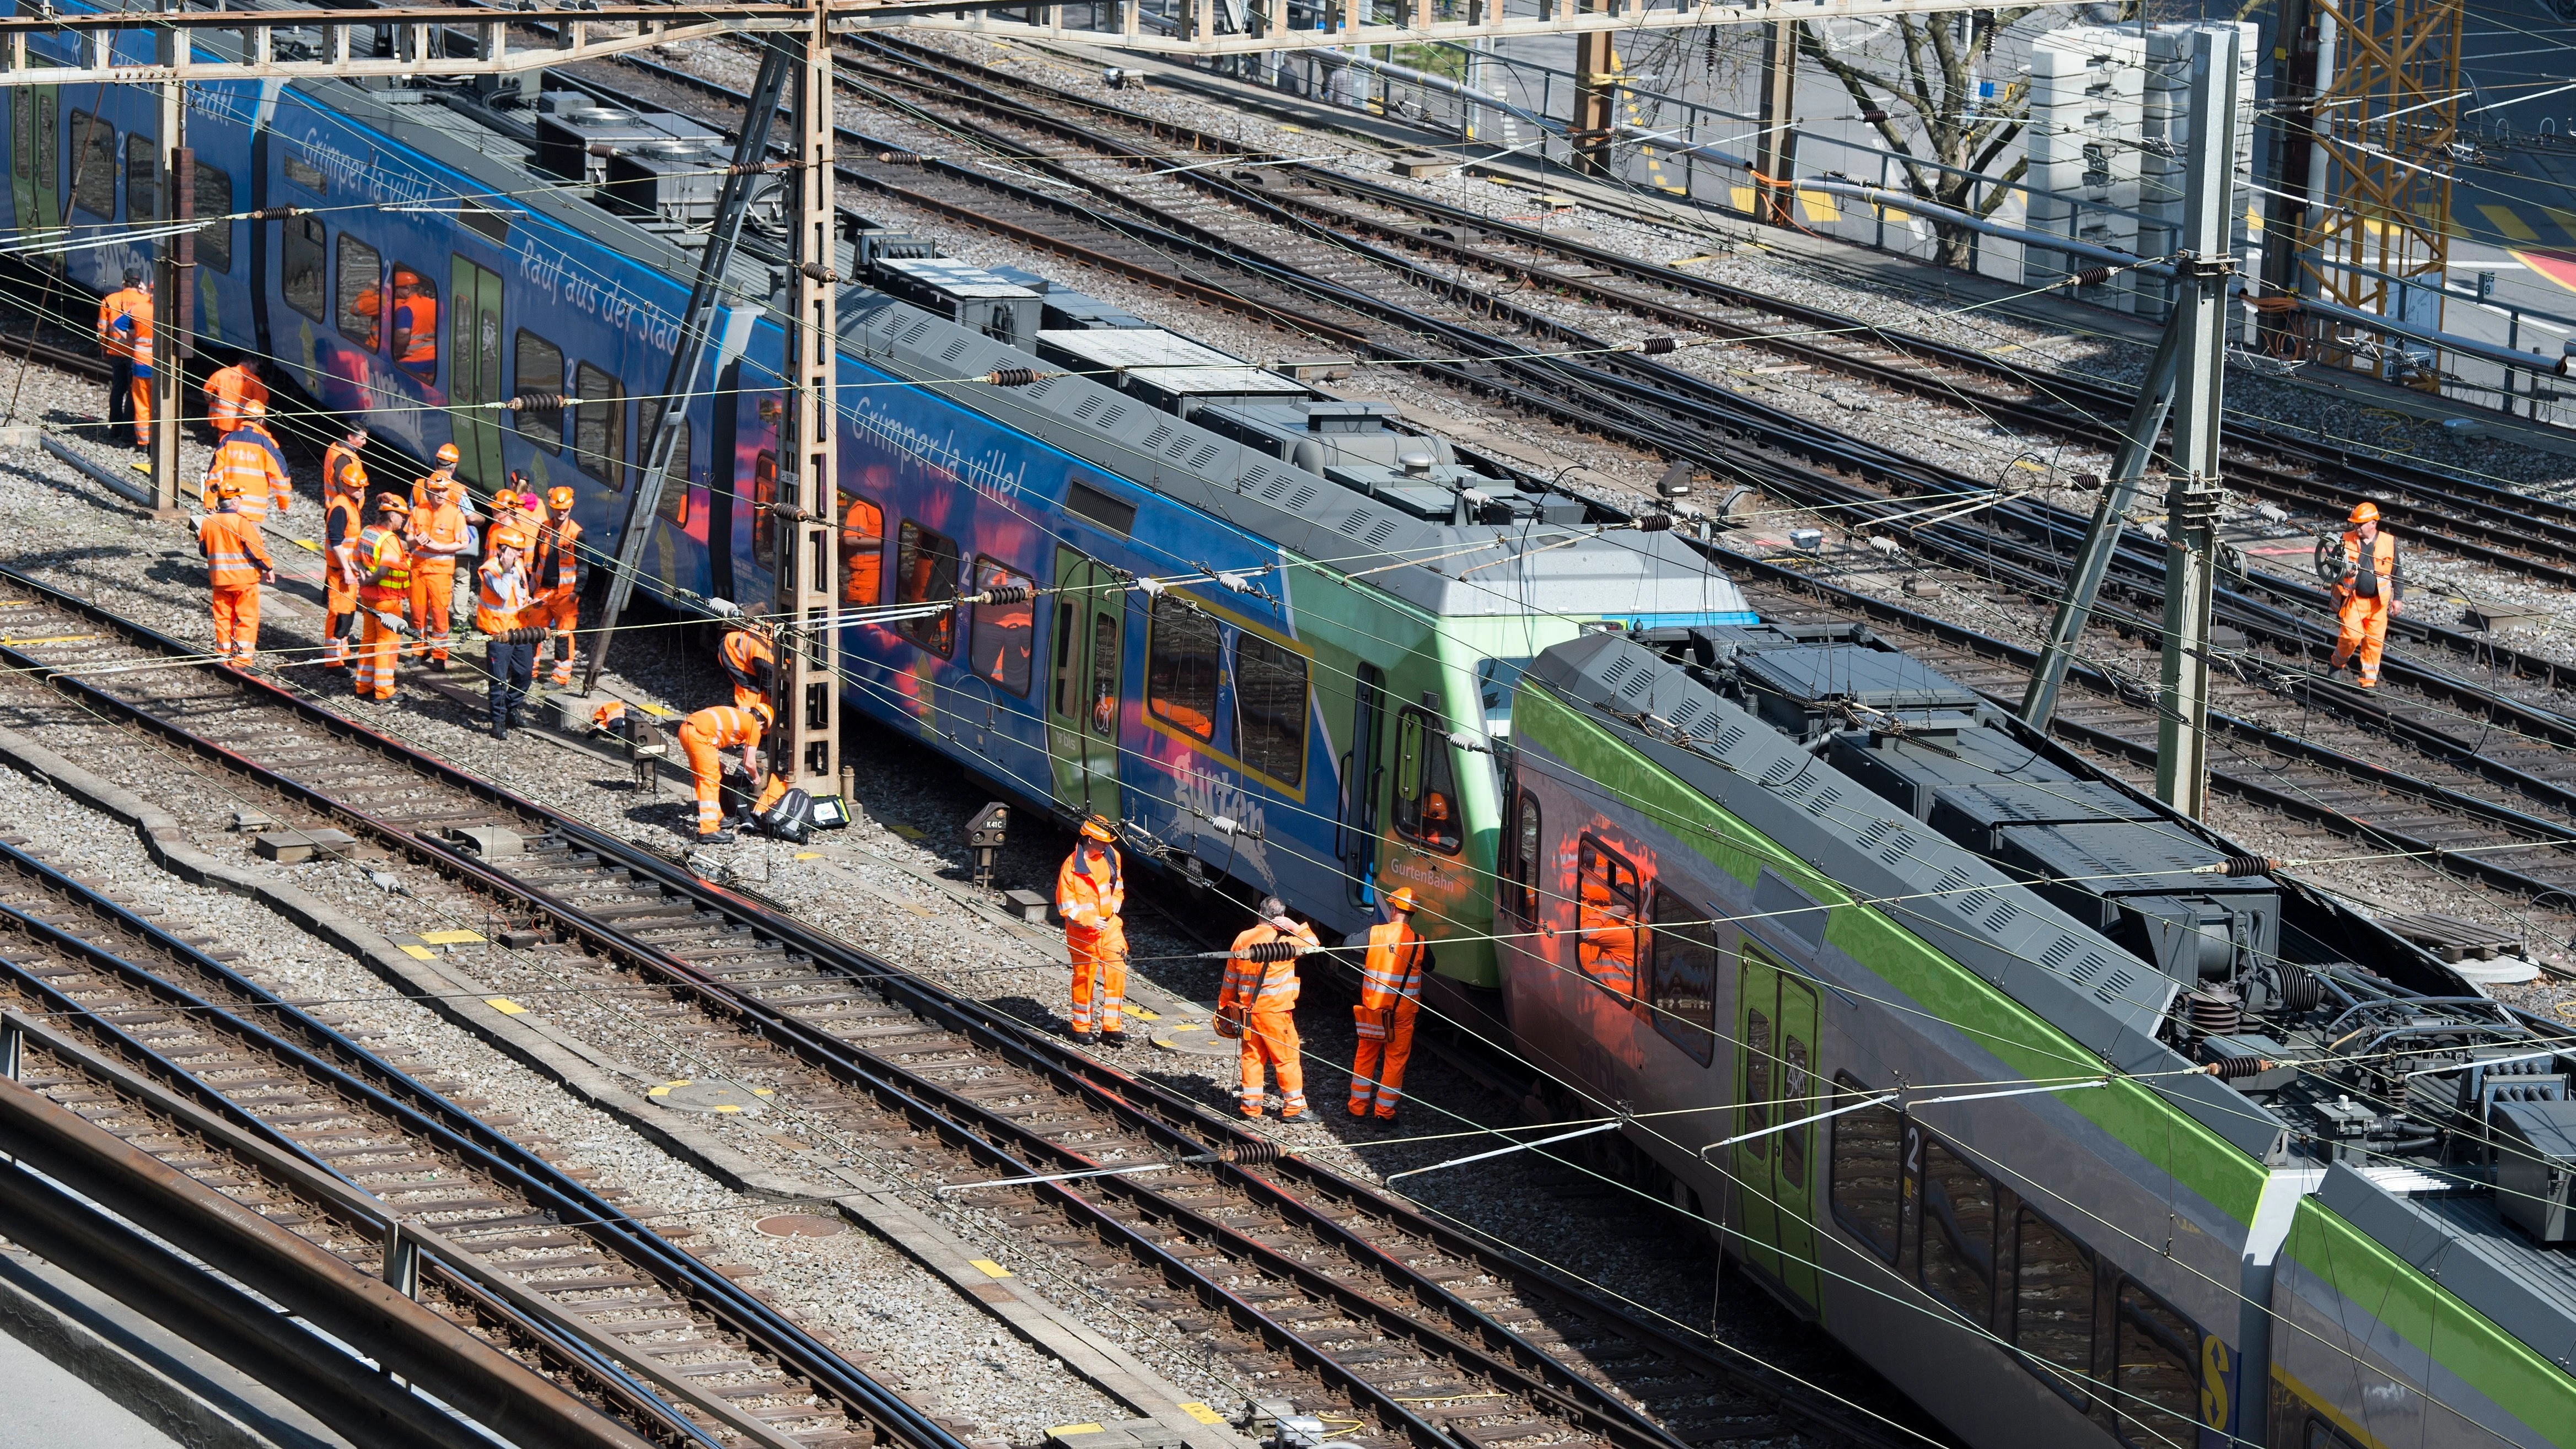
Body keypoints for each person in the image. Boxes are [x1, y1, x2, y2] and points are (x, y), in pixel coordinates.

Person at [1217, 896, 1317, 1119]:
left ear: (1259, 911)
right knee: (1287, 1059)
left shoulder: (1242, 938)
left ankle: (1250, 1108)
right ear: (1280, 917)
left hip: (1247, 1012)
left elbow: (1230, 977)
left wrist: (1223, 1006)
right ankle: (1294, 1108)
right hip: (1275, 1014)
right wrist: (1295, 926)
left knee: (1252, 1058)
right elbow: (1314, 945)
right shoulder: (1285, 942)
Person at [1348, 887, 1428, 1123]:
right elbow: (1431, 965)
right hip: (1403, 1016)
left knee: (1365, 1056)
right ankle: (1384, 1115)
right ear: (1412, 914)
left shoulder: (1375, 934)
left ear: (1393, 909)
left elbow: (1347, 943)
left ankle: (1357, 1109)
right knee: (1395, 1062)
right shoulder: (1419, 942)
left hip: (1374, 1011)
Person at [1055, 816, 1128, 1045]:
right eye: (1102, 841)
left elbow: (1118, 884)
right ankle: (1081, 1027)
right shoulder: (1071, 868)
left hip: (1110, 926)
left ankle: (1111, 1027)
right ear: (1089, 840)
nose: (1107, 845)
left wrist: (1117, 898)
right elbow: (1065, 907)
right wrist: (1089, 919)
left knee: (1117, 970)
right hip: (1083, 933)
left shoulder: (1111, 856)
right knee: (1085, 977)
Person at [676, 699, 788, 843]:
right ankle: (709, 830)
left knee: (702, 776)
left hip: (686, 730)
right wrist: (755, 777)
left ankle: (717, 816)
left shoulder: (739, 716)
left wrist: (717, 763)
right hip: (699, 737)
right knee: (710, 781)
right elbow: (749, 762)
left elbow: (712, 733)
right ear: (763, 724)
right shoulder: (754, 726)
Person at [199, 478, 275, 664]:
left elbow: (203, 550)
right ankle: (242, 658)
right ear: (234, 501)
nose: (241, 500)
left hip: (219, 581)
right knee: (246, 618)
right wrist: (268, 568)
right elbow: (255, 550)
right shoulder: (241, 523)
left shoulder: (209, 521)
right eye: (240, 497)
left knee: (223, 617)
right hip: (244, 582)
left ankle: (223, 654)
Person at [2330, 500, 2403, 690]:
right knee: (2350, 637)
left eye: (2360, 524)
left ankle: (2368, 682)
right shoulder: (2346, 540)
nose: (2357, 527)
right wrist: (2346, 573)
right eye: (2355, 524)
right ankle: (2337, 664)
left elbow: (2397, 571)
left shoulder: (2389, 542)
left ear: (2373, 523)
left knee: (2374, 642)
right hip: (2354, 600)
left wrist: (2398, 598)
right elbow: (2333, 567)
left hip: (2378, 603)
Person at [477, 526, 536, 740]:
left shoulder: (518, 565)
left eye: (520, 551)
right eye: (515, 550)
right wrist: (507, 568)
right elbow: (502, 593)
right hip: (498, 633)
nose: (520, 554)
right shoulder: (491, 569)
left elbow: (518, 593)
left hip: (519, 629)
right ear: (503, 550)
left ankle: (511, 707)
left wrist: (529, 602)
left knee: (525, 673)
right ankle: (498, 722)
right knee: (499, 680)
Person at [352, 493, 412, 702]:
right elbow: (384, 570)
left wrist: (363, 579)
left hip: (369, 599)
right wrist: (370, 580)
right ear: (392, 516)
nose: (403, 521)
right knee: (387, 645)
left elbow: (356, 559)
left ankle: (363, 685)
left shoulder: (367, 532)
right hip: (387, 600)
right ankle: (384, 691)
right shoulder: (390, 540)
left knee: (368, 640)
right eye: (402, 516)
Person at [405, 476, 470, 669]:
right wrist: (416, 540)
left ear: (448, 491)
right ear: (429, 492)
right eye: (436, 491)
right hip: (418, 570)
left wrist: (440, 547)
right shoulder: (418, 511)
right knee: (417, 612)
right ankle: (418, 651)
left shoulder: (455, 515)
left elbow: (464, 542)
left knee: (440, 615)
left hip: (441, 574)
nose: (440, 494)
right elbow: (408, 537)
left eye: (443, 491)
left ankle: (440, 656)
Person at [200, 411, 292, 525]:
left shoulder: (228, 440)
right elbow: (279, 477)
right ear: (262, 420)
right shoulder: (267, 444)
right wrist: (283, 503)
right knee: (251, 542)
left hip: (230, 505)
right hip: (254, 510)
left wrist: (209, 501)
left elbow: (214, 474)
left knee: (230, 541)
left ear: (243, 418)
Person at [533, 486, 582, 686]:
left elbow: (584, 567)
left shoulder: (577, 533)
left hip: (565, 595)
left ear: (570, 508)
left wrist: (576, 593)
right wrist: (532, 587)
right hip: (543, 589)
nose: (561, 513)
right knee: (532, 631)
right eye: (558, 509)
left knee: (563, 634)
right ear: (551, 508)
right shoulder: (544, 528)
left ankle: (561, 676)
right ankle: (529, 671)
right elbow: (537, 559)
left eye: (565, 509)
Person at [96, 268, 150, 448]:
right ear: (139, 282)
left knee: (118, 389)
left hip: (116, 352)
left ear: (124, 281)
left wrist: (104, 349)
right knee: (133, 393)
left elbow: (102, 329)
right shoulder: (146, 302)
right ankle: (129, 433)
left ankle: (115, 428)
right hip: (137, 354)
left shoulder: (109, 300)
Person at [321, 462, 365, 670]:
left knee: (347, 613)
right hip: (341, 572)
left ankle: (342, 654)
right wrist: (347, 569)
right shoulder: (341, 507)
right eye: (357, 488)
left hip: (347, 571)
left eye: (363, 488)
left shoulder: (350, 503)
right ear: (345, 486)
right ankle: (333, 661)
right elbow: (336, 541)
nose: (361, 491)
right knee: (337, 613)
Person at [719, 621, 776, 713]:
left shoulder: (778, 633)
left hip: (746, 647)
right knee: (752, 692)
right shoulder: (767, 660)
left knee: (764, 694)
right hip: (732, 651)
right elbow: (772, 690)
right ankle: (747, 719)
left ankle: (765, 717)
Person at [203, 355, 267, 436]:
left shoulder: (222, 373)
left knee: (224, 441)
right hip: (243, 423)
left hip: (222, 421)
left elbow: (207, 392)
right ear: (250, 363)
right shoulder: (255, 380)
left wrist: (213, 402)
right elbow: (261, 402)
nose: (257, 371)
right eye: (257, 366)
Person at [411, 442, 461, 511]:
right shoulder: (459, 490)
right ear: (454, 467)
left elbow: (411, 511)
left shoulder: (418, 485)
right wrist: (482, 519)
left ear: (436, 464)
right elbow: (472, 518)